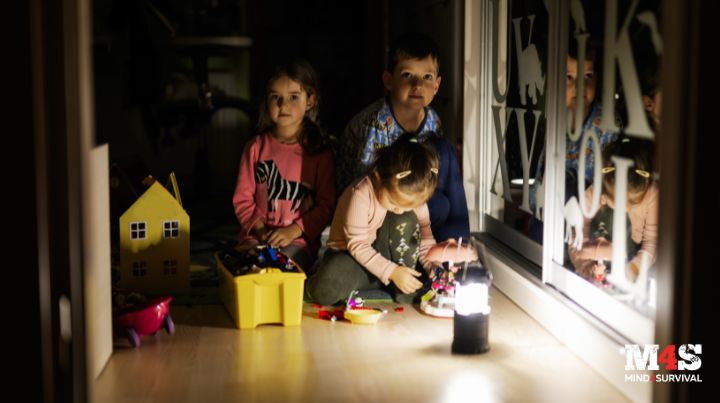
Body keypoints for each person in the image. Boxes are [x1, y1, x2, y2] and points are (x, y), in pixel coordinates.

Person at [335, 32, 469, 242]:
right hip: (374, 207)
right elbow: (366, 188)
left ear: (436, 86)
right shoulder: (375, 124)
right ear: (389, 81)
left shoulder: (432, 120)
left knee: (441, 199)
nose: (418, 85)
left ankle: (455, 247)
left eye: (427, 77)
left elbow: (433, 174)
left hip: (409, 194)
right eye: (407, 75)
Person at [307, 136, 439, 305]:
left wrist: (432, 264)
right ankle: (388, 279)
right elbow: (357, 245)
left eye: (408, 206)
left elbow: (425, 238)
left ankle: (401, 284)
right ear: (379, 176)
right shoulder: (360, 193)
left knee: (405, 220)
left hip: (388, 255)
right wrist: (391, 271)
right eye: (393, 202)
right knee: (325, 290)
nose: (400, 210)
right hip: (350, 257)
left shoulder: (412, 197)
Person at [232, 59, 336, 274]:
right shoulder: (255, 148)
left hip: (297, 241)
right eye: (276, 97)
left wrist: (293, 230)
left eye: (294, 97)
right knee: (250, 266)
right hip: (256, 236)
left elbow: (326, 205)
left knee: (282, 267)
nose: (284, 105)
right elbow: (242, 199)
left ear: (310, 100)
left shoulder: (320, 153)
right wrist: (260, 232)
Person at [568, 137, 658, 281]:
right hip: (596, 255)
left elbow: (651, 242)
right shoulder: (597, 191)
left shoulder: (651, 194)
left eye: (631, 204)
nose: (625, 209)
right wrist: (586, 266)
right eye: (618, 203)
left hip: (633, 258)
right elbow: (575, 232)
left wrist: (633, 270)